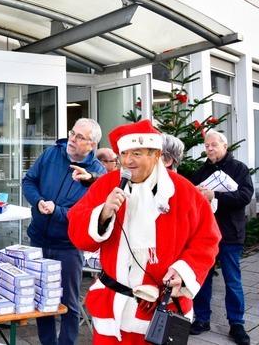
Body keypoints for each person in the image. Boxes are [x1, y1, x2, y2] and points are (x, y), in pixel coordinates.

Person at [67, 119, 221, 344]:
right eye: (124, 154)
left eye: (137, 153)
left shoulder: (184, 192)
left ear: (156, 155)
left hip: (161, 311)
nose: (128, 161)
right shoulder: (107, 185)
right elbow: (77, 231)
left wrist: (184, 271)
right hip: (113, 310)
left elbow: (208, 239)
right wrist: (103, 214)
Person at [22, 118, 105, 345]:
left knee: (69, 301)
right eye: (72, 133)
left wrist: (57, 211)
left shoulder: (97, 174)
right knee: (43, 298)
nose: (72, 139)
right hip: (39, 239)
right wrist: (38, 201)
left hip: (68, 245)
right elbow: (29, 181)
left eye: (80, 137)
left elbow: (88, 213)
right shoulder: (51, 154)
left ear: (92, 145)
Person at [189, 130, 253, 345]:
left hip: (230, 234)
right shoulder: (201, 171)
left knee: (232, 280)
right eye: (206, 146)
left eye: (213, 145)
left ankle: (237, 323)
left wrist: (215, 195)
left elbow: (245, 196)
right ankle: (202, 319)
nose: (209, 149)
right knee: (203, 279)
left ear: (224, 146)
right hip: (206, 236)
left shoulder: (239, 169)